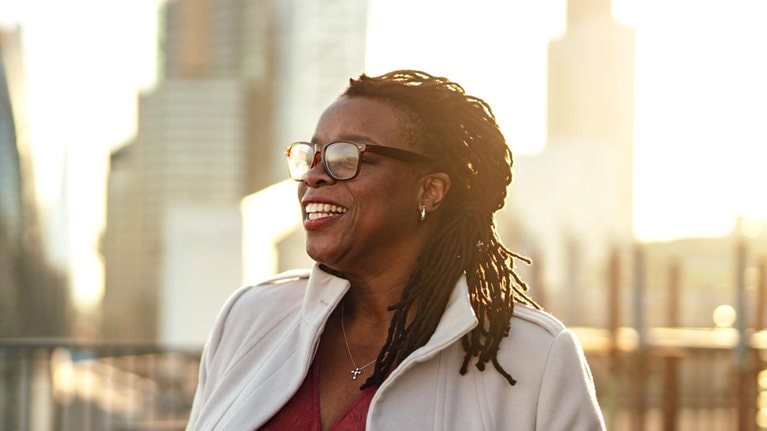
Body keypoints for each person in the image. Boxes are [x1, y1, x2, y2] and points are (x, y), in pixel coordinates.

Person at [186, 70, 605, 430]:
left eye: (347, 156)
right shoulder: (250, 318)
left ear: (430, 190)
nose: (314, 175)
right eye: (311, 155)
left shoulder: (536, 358)